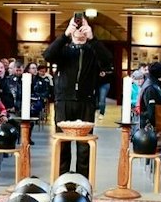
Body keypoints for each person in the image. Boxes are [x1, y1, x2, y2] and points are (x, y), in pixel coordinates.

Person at [43, 13, 113, 176]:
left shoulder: (93, 50)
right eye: (77, 25)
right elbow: (48, 55)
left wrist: (93, 39)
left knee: (84, 148)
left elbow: (108, 61)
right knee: (63, 144)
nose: (80, 28)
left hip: (86, 102)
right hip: (64, 101)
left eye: (83, 25)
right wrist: (65, 35)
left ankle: (83, 181)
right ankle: (62, 179)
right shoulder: (64, 49)